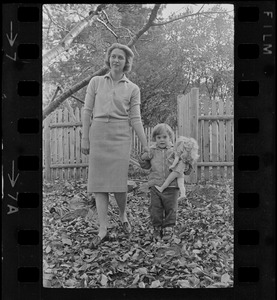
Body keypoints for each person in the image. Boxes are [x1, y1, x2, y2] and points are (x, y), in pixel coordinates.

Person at [81, 43, 149, 248]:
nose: (116, 60)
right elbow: (87, 111)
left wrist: (146, 146)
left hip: (121, 135)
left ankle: (123, 215)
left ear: (126, 62)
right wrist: (85, 138)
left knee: (119, 182)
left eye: (120, 57)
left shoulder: (133, 88)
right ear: (108, 59)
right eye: (113, 56)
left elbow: (136, 119)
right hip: (98, 133)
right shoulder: (95, 82)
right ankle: (103, 228)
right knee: (99, 183)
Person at [139, 123, 182, 242]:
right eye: (159, 137)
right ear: (155, 139)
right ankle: (157, 228)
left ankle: (168, 228)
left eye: (164, 137)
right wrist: (143, 157)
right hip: (156, 185)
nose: (162, 140)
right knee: (155, 208)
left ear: (170, 138)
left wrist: (187, 164)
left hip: (172, 186)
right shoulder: (152, 151)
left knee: (171, 208)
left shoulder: (175, 151)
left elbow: (183, 167)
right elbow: (145, 166)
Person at [155, 136, 199, 201]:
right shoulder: (189, 156)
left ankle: (161, 188)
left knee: (168, 180)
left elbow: (176, 160)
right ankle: (183, 194)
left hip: (177, 171)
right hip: (181, 172)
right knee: (181, 184)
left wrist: (172, 166)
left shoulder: (179, 153)